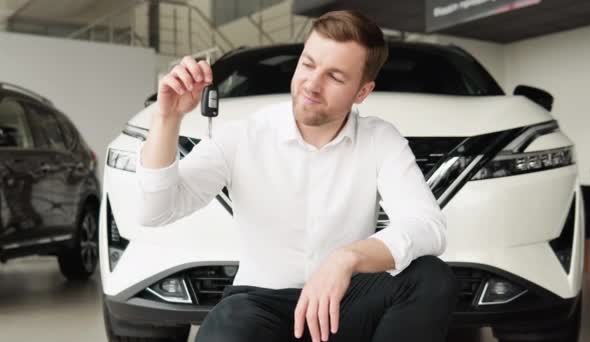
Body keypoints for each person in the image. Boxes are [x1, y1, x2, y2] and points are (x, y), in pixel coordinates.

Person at [137, 9, 458, 342]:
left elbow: (427, 226)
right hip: (259, 306)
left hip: (343, 305)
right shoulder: (242, 135)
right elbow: (156, 210)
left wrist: (347, 258)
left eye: (335, 77)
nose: (312, 85)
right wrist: (167, 119)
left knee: (430, 277)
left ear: (362, 92)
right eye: (308, 64)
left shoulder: (380, 138)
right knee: (230, 320)